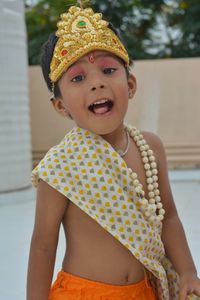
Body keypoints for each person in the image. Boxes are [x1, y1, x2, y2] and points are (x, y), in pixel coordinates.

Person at [27, 2, 200, 300]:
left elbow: (168, 217)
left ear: (130, 85)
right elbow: (43, 246)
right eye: (78, 78)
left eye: (108, 70)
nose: (97, 83)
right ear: (60, 105)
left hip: (146, 292)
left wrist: (187, 272)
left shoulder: (150, 148)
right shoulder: (59, 167)